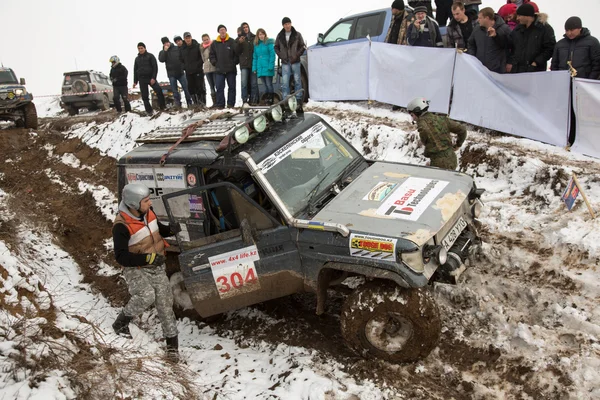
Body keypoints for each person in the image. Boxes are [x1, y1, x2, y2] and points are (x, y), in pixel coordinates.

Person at [111, 183, 181, 362]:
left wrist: (170, 229)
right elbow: (121, 257)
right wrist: (148, 259)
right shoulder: (122, 226)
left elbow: (158, 229)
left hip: (156, 264)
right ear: (134, 204)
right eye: (146, 200)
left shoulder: (148, 213)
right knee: (146, 295)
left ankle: (172, 350)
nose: (150, 203)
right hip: (136, 267)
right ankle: (121, 323)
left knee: (165, 304)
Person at [408, 97, 466, 170]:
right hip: (452, 158)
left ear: (417, 111)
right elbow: (462, 129)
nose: (413, 118)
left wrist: (435, 163)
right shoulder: (442, 119)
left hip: (439, 162)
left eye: (412, 115)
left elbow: (428, 142)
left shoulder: (422, 126)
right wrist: (458, 145)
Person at [507, 4, 556, 73]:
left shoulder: (544, 29)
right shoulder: (518, 29)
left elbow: (550, 49)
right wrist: (496, 36)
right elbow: (510, 45)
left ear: (527, 16)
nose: (517, 18)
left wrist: (536, 62)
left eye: (519, 16)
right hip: (518, 71)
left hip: (536, 71)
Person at [275, 17, 306, 112]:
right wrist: (281, 56)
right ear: (283, 26)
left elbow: (303, 46)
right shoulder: (280, 36)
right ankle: (286, 102)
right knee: (285, 83)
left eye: (288, 23)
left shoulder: (297, 34)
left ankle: (298, 101)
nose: (287, 26)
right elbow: (276, 47)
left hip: (295, 61)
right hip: (285, 62)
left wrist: (297, 55)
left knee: (297, 81)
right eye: (285, 24)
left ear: (291, 24)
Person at [467, 7, 512, 73]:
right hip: (480, 68)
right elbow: (471, 44)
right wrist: (472, 58)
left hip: (498, 69)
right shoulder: (477, 29)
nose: (478, 20)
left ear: (487, 18)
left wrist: (496, 36)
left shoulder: (504, 29)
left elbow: (510, 45)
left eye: (480, 18)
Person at [210, 24, 241, 109]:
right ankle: (220, 105)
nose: (222, 31)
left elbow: (236, 54)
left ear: (226, 31)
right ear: (218, 32)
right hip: (219, 70)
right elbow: (211, 55)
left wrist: (234, 62)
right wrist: (215, 63)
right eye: (220, 30)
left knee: (232, 87)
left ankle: (231, 104)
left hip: (231, 69)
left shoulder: (231, 41)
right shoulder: (215, 43)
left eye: (223, 29)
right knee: (219, 88)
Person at [158, 37, 192, 108]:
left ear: (169, 42)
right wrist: (165, 51)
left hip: (180, 72)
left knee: (186, 88)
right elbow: (161, 59)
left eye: (167, 42)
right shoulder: (162, 52)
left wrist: (183, 67)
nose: (166, 44)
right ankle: (178, 105)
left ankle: (190, 104)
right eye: (164, 43)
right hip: (171, 74)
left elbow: (183, 57)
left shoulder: (176, 48)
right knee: (174, 91)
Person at [133, 42, 165, 115]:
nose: (140, 50)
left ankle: (163, 107)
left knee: (159, 90)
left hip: (150, 78)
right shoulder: (137, 59)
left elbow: (155, 67)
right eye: (139, 48)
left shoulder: (150, 56)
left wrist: (153, 78)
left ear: (145, 48)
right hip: (142, 79)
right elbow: (135, 70)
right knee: (144, 96)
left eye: (141, 48)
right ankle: (149, 111)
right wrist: (135, 81)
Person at [180, 32, 206, 106]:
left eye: (189, 37)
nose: (188, 39)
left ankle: (202, 104)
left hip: (198, 71)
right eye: (186, 38)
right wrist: (184, 67)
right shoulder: (182, 49)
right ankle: (196, 104)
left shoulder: (197, 46)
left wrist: (198, 65)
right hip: (188, 72)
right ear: (184, 39)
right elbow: (180, 60)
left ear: (191, 37)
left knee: (200, 87)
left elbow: (201, 57)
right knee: (191, 88)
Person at [253, 28, 276, 105]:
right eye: (260, 34)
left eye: (262, 34)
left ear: (265, 34)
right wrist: (254, 68)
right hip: (260, 68)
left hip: (267, 67)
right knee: (264, 85)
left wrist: (270, 66)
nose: (261, 36)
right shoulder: (256, 45)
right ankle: (267, 99)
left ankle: (271, 99)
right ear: (258, 36)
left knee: (269, 84)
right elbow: (255, 57)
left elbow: (272, 55)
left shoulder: (269, 43)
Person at [238, 22, 259, 105]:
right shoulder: (239, 39)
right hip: (244, 64)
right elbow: (237, 51)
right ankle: (244, 100)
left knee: (254, 83)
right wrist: (240, 43)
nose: (246, 28)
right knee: (244, 83)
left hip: (253, 63)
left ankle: (254, 100)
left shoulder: (254, 37)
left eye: (247, 27)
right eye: (244, 27)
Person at [201, 34, 218, 106]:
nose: (206, 41)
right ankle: (214, 102)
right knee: (211, 86)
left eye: (207, 39)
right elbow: (203, 58)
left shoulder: (213, 45)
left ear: (209, 38)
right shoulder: (201, 48)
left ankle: (219, 101)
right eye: (204, 40)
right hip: (207, 69)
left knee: (217, 85)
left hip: (214, 67)